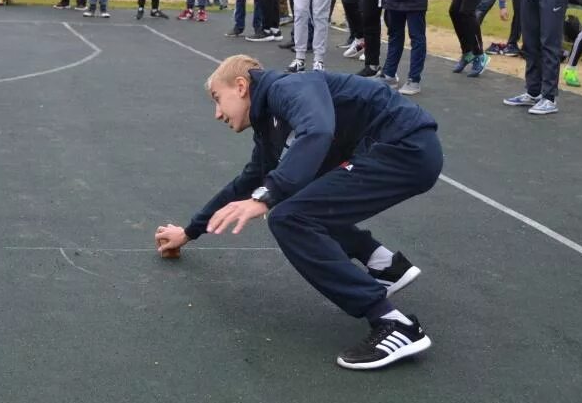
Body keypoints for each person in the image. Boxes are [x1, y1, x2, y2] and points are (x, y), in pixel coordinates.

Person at [154, 54, 441, 370]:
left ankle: (394, 324)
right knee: (298, 200)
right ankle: (385, 265)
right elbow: (245, 183)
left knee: (288, 216)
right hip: (397, 150)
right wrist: (188, 232)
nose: (217, 113)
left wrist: (267, 197)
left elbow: (317, 130)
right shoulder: (269, 127)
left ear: (240, 86)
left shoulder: (286, 87)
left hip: (403, 148)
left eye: (217, 99)